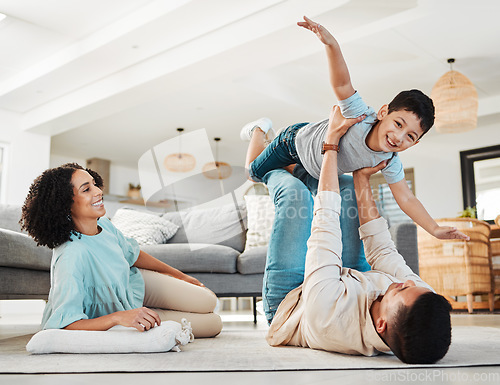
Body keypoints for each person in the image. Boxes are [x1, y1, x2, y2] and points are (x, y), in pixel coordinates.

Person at [240, 16, 468, 241]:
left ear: (415, 143)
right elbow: (342, 83)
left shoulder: (389, 160)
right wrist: (331, 45)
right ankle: (260, 129)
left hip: (312, 167)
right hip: (293, 144)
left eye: (410, 136)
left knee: (299, 181)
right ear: (383, 113)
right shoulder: (360, 115)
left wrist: (435, 229)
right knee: (253, 174)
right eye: (398, 124)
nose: (399, 137)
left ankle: (277, 152)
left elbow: (406, 199)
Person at [264, 106, 452, 364]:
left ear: (382, 325)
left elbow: (325, 224)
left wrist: (331, 142)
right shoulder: (417, 297)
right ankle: (300, 167)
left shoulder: (328, 315)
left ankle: (261, 162)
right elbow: (382, 250)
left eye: (399, 290)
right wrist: (362, 178)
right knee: (350, 188)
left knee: (294, 197)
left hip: (293, 305)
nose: (406, 281)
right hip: (346, 282)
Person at [20, 163, 222, 338]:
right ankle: (147, 313)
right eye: (86, 189)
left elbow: (134, 254)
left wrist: (180, 276)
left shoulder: (105, 225)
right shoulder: (71, 255)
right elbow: (65, 323)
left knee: (208, 300)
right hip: (119, 311)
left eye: (94, 184)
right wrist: (119, 317)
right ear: (65, 204)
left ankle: (151, 310)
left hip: (133, 283)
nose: (98, 191)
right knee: (214, 325)